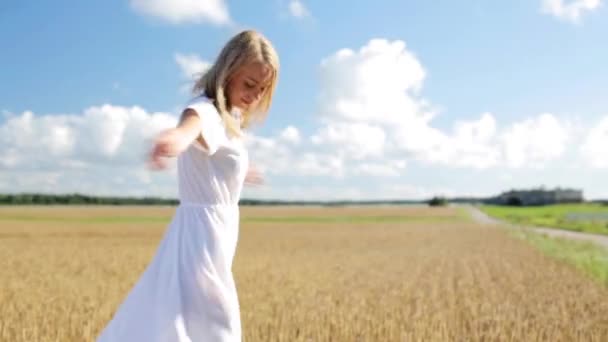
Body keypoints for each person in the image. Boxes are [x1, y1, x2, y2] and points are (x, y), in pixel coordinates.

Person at [96, 29, 279, 342]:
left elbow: (220, 153)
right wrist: (173, 140)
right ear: (228, 71)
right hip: (201, 239)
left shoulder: (228, 117)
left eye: (262, 89)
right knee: (212, 327)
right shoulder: (205, 110)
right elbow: (188, 129)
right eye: (249, 85)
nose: (255, 96)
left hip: (216, 235)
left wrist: (242, 169)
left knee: (186, 322)